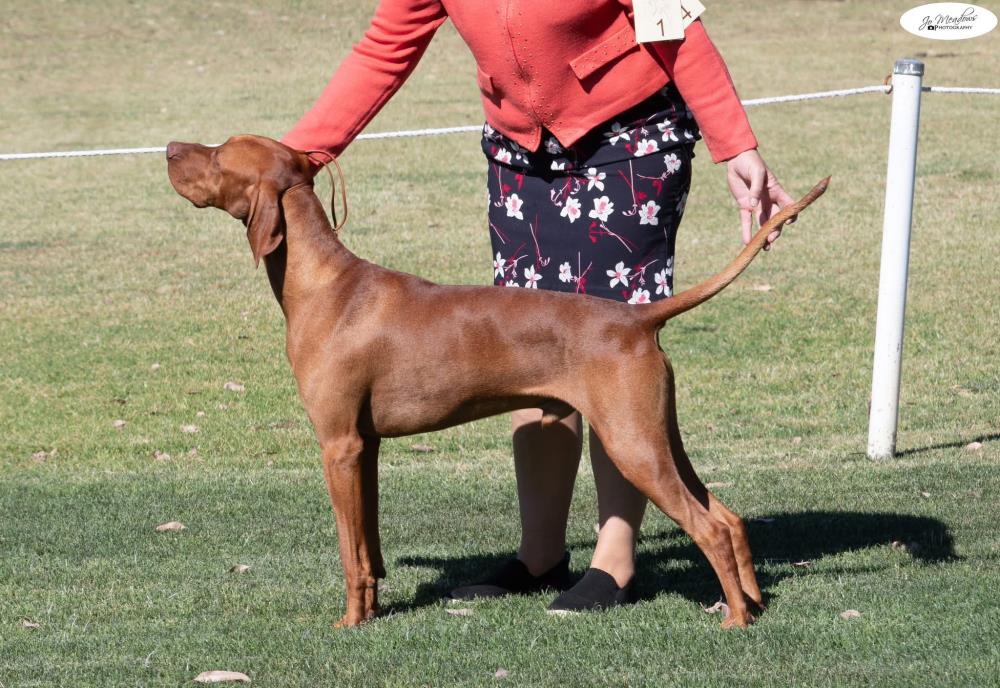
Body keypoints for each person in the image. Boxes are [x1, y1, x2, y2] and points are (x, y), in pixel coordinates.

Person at [282, 0, 793, 613]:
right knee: (524, 352)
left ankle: (615, 560)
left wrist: (735, 145)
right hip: (521, 155)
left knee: (607, 350)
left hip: (629, 140)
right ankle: (541, 554)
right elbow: (384, 49)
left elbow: (675, 26)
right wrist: (286, 163)